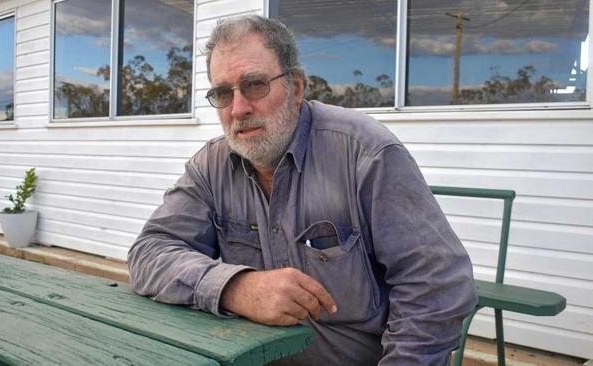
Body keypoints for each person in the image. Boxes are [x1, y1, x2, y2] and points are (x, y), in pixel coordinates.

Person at [128, 15, 477, 365]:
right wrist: (235, 287)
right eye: (223, 93)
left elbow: (437, 287)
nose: (238, 108)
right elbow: (149, 252)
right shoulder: (211, 166)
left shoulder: (365, 153)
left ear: (295, 88)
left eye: (254, 84)